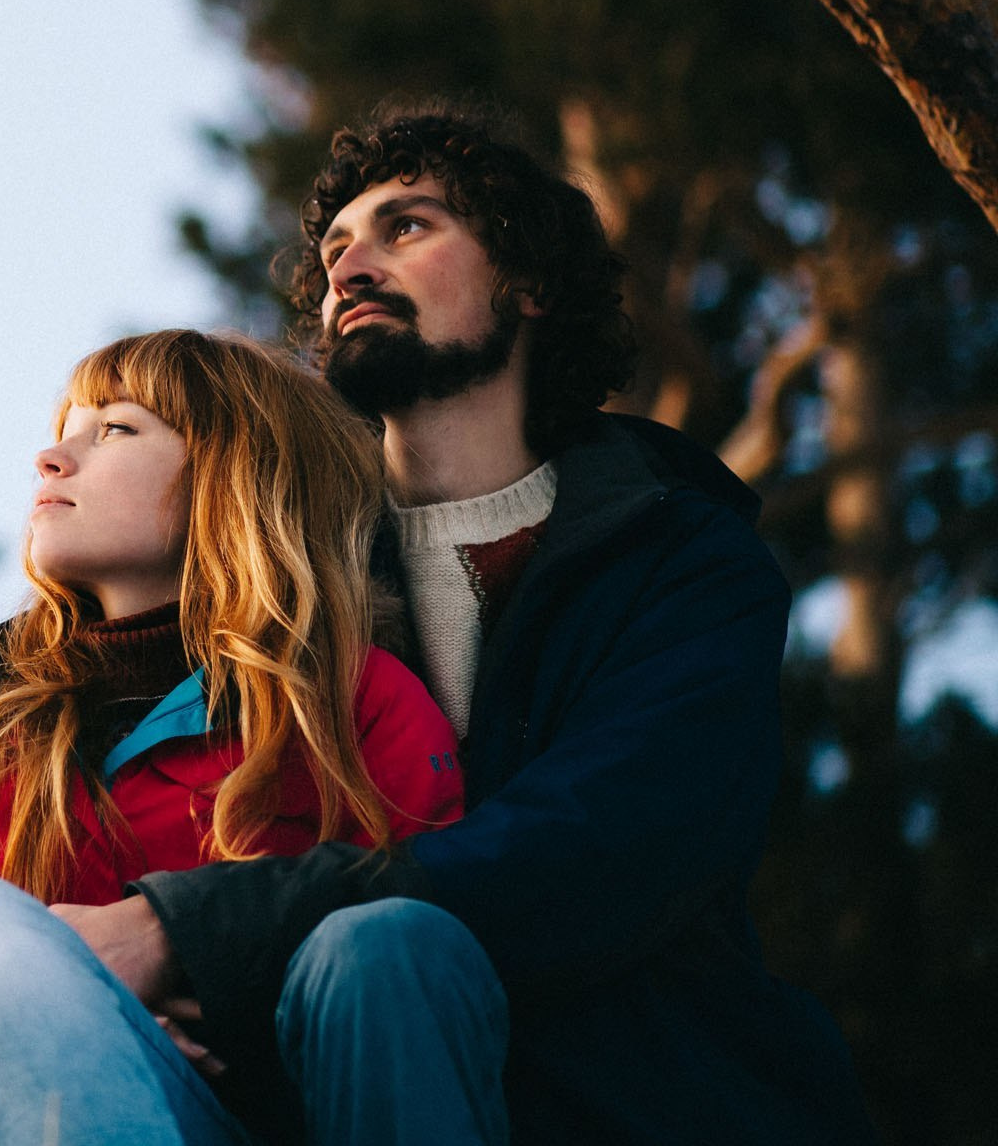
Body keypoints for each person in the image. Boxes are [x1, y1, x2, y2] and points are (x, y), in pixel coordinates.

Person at [133, 106, 874, 1142]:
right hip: (317, 1095)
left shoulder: (683, 557)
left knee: (380, 950)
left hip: (644, 1101)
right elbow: (40, 694)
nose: (349, 268)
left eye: (407, 228)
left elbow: (604, 846)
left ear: (527, 284)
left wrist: (199, 933)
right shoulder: (284, 581)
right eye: (337, 247)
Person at [0, 329, 487, 1146]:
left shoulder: (338, 697)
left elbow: (420, 896)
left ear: (238, 476)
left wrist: (179, 947)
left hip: (222, 1103)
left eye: (113, 430)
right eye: (65, 426)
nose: (52, 456)